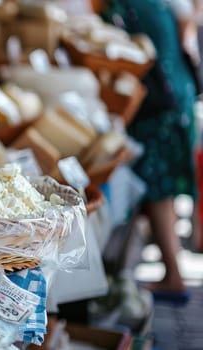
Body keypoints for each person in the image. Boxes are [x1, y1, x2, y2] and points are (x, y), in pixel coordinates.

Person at [99, 0, 200, 302]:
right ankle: (174, 268)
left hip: (159, 102)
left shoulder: (126, 6)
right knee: (164, 187)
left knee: (159, 188)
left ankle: (173, 274)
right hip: (175, 93)